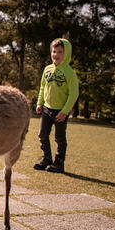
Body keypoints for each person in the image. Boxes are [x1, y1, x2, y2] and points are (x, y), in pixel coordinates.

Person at [34, 38, 79, 173]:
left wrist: (65, 111)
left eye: (60, 52)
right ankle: (47, 159)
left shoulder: (69, 72)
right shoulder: (47, 69)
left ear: (67, 54)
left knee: (59, 138)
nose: (56, 55)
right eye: (54, 51)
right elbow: (43, 87)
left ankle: (59, 163)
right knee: (42, 135)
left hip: (61, 112)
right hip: (47, 109)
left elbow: (74, 93)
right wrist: (39, 103)